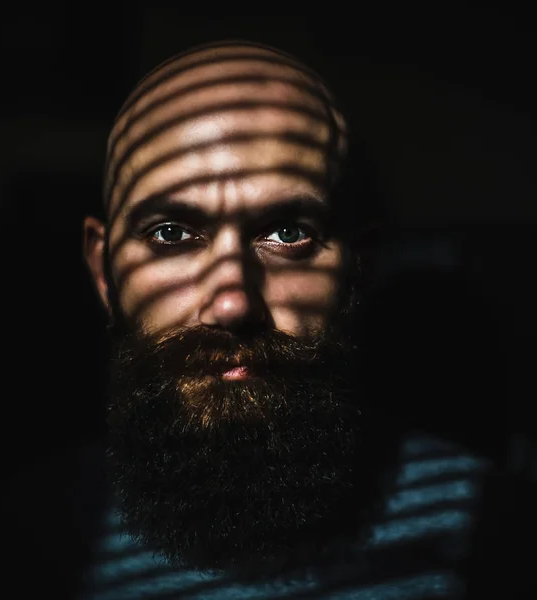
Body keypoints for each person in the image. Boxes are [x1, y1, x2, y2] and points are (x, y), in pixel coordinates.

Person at [81, 40, 491, 599]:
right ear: (105, 273)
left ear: (359, 269)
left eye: (288, 233)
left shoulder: (496, 532)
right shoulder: (21, 545)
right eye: (171, 234)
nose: (231, 304)